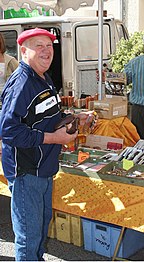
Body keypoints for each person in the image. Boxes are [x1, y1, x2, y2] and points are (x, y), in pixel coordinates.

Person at [0, 28, 95, 261]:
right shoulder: (22, 83)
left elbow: (50, 115)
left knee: (41, 229)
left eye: (49, 46)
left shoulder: (43, 78)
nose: (46, 51)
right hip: (26, 171)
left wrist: (75, 117)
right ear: (23, 51)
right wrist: (55, 139)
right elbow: (8, 130)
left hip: (44, 168)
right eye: (38, 46)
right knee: (28, 237)